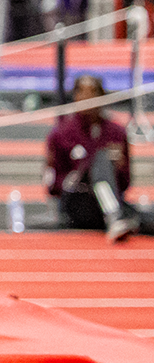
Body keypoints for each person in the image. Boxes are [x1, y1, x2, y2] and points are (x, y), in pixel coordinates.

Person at [45, 75, 152, 241]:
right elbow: (52, 184)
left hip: (108, 201)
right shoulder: (61, 134)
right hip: (77, 202)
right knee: (100, 159)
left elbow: (126, 182)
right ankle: (115, 217)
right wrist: (80, 176)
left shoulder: (116, 133)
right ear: (75, 96)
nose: (87, 99)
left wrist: (119, 166)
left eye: (93, 94)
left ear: (102, 97)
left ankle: (116, 216)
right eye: (82, 93)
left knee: (147, 217)